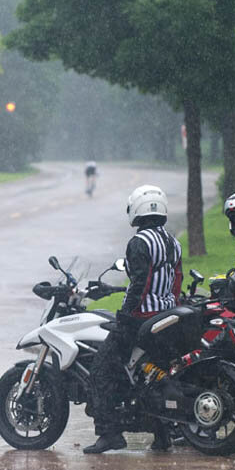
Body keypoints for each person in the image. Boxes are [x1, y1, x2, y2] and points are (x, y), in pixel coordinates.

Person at [84, 184, 183, 454]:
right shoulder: (173, 242)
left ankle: (109, 432)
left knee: (101, 369)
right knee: (154, 377)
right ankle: (162, 436)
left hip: (142, 318)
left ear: (137, 210)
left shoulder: (139, 243)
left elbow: (140, 283)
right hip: (167, 318)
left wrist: (125, 315)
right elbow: (177, 282)